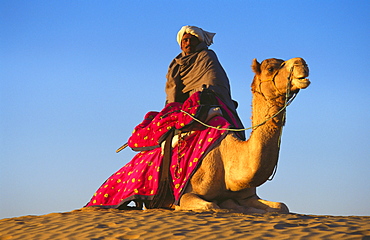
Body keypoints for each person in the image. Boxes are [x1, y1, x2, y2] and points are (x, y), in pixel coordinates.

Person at [165, 25, 245, 139]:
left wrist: (200, 97)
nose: (188, 43)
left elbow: (213, 80)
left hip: (203, 100)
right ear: (181, 44)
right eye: (185, 40)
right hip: (182, 106)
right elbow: (172, 90)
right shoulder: (175, 65)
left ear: (199, 42)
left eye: (192, 40)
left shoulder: (206, 56)